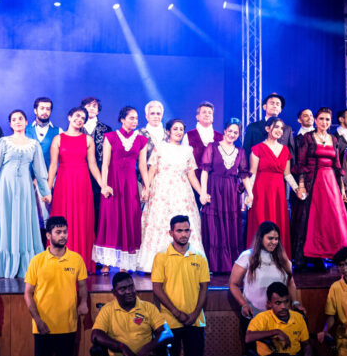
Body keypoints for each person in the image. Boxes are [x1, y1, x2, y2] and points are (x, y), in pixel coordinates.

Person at [24, 216, 89, 356]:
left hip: (68, 327)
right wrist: (38, 320)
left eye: (65, 231)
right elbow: (28, 293)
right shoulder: (37, 261)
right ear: (48, 235)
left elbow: (84, 287)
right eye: (58, 232)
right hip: (42, 328)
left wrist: (84, 302)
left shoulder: (76, 259)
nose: (63, 235)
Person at [151, 216, 210, 356]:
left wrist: (194, 314)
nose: (184, 234)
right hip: (170, 323)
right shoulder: (161, 256)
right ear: (171, 233)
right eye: (179, 231)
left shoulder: (199, 255)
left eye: (186, 230)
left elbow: (204, 288)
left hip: (196, 321)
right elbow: (157, 289)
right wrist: (176, 312)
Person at [0, 110, 53, 278]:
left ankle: (26, 265)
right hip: (5, 187)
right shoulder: (3, 142)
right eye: (14, 119)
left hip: (24, 188)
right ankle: (4, 264)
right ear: (10, 124)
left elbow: (40, 170)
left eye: (20, 119)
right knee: (5, 220)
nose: (17, 122)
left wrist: (45, 191)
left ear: (26, 122)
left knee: (23, 221)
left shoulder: (33, 144)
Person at [138, 119, 207, 272]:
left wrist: (202, 191)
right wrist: (146, 188)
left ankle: (187, 262)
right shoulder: (160, 147)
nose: (178, 132)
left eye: (181, 129)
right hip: (161, 190)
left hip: (182, 191)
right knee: (160, 223)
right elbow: (152, 170)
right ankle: (156, 263)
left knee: (183, 222)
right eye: (175, 129)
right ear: (168, 131)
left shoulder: (188, 150)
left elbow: (191, 175)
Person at [48, 106, 109, 273]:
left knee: (83, 221)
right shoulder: (58, 139)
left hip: (82, 184)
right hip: (64, 183)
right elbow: (53, 165)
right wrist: (47, 188)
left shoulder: (87, 140)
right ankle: (60, 260)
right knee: (63, 219)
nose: (80, 119)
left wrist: (103, 185)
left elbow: (93, 166)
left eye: (83, 117)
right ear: (69, 117)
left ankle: (81, 263)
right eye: (77, 116)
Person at [296, 107, 347, 262]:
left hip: (330, 182)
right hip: (314, 180)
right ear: (316, 121)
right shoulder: (308, 138)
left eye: (327, 120)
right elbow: (301, 163)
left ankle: (331, 253)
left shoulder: (333, 139)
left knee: (333, 217)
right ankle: (312, 255)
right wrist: (302, 185)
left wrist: (342, 189)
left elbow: (337, 166)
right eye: (321, 119)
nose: (324, 122)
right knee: (314, 218)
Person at [93, 106, 149, 272]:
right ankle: (107, 263)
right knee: (110, 219)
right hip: (113, 182)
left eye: (136, 118)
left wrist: (146, 186)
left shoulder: (141, 140)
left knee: (130, 219)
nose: (135, 121)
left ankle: (125, 263)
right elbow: (105, 163)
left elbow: (143, 166)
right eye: (131, 118)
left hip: (130, 184)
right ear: (122, 119)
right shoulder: (110, 137)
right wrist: (104, 185)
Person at [199, 118, 251, 272]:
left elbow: (244, 175)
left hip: (230, 193)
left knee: (230, 227)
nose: (232, 134)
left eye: (236, 132)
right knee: (214, 226)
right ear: (224, 131)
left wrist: (250, 193)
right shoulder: (212, 147)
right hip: (214, 190)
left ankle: (229, 264)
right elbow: (205, 171)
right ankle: (213, 265)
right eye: (230, 131)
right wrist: (203, 192)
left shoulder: (240, 152)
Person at [244, 117, 296, 254]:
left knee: (278, 223)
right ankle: (258, 257)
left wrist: (297, 189)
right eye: (276, 127)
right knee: (261, 222)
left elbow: (288, 175)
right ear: (267, 129)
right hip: (261, 191)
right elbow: (252, 174)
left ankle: (278, 259)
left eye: (281, 128)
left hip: (278, 192)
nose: (279, 130)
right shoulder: (257, 149)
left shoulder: (285, 150)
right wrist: (249, 194)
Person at [230, 221, 300, 317]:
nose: (274, 242)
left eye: (276, 239)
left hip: (279, 314)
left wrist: (295, 303)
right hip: (254, 314)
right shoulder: (247, 257)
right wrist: (244, 305)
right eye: (270, 238)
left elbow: (291, 283)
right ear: (260, 238)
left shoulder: (282, 259)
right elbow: (233, 284)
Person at [245, 282, 313, 356]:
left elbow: (306, 344)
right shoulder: (262, 318)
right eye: (278, 303)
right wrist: (276, 332)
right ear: (269, 304)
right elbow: (248, 337)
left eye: (286, 302)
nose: (283, 307)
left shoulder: (298, 317)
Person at [81, 96, 112, 237]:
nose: (91, 108)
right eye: (88, 105)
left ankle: (98, 238)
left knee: (98, 205)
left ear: (98, 110)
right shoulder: (76, 127)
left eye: (94, 106)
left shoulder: (106, 129)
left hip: (99, 170)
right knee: (81, 205)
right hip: (80, 170)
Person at [185, 101, 223, 172]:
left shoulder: (221, 137)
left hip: (216, 179)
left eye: (210, 113)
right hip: (195, 178)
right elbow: (184, 160)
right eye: (204, 112)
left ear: (213, 118)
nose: (207, 115)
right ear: (197, 117)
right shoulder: (188, 135)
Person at [26, 97, 61, 171]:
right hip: (27, 177)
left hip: (50, 178)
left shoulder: (59, 132)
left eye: (48, 109)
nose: (45, 111)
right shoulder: (25, 130)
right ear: (35, 110)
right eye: (42, 108)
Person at [138, 100, 166, 164]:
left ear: (161, 116)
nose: (155, 116)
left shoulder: (168, 134)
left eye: (158, 114)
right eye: (152, 113)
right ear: (147, 117)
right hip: (145, 172)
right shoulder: (139, 134)